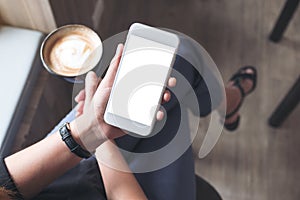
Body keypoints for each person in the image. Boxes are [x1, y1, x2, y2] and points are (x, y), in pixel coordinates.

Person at [1, 36, 257, 199]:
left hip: (46, 184)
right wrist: (100, 142)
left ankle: (225, 102)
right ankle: (231, 102)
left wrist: (86, 130)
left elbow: (3, 180)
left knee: (176, 57)